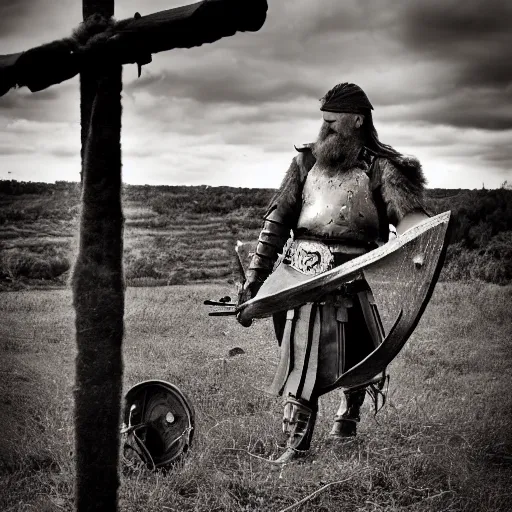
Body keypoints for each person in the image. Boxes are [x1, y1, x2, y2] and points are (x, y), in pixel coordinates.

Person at [237, 82, 430, 464]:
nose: (324, 126)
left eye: (333, 119)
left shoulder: (381, 168)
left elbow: (411, 223)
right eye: (322, 119)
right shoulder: (305, 163)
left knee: (356, 355)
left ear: (358, 118)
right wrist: (255, 281)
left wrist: (418, 235)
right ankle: (296, 445)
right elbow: (277, 222)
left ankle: (347, 416)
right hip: (300, 276)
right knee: (301, 358)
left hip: (354, 278)